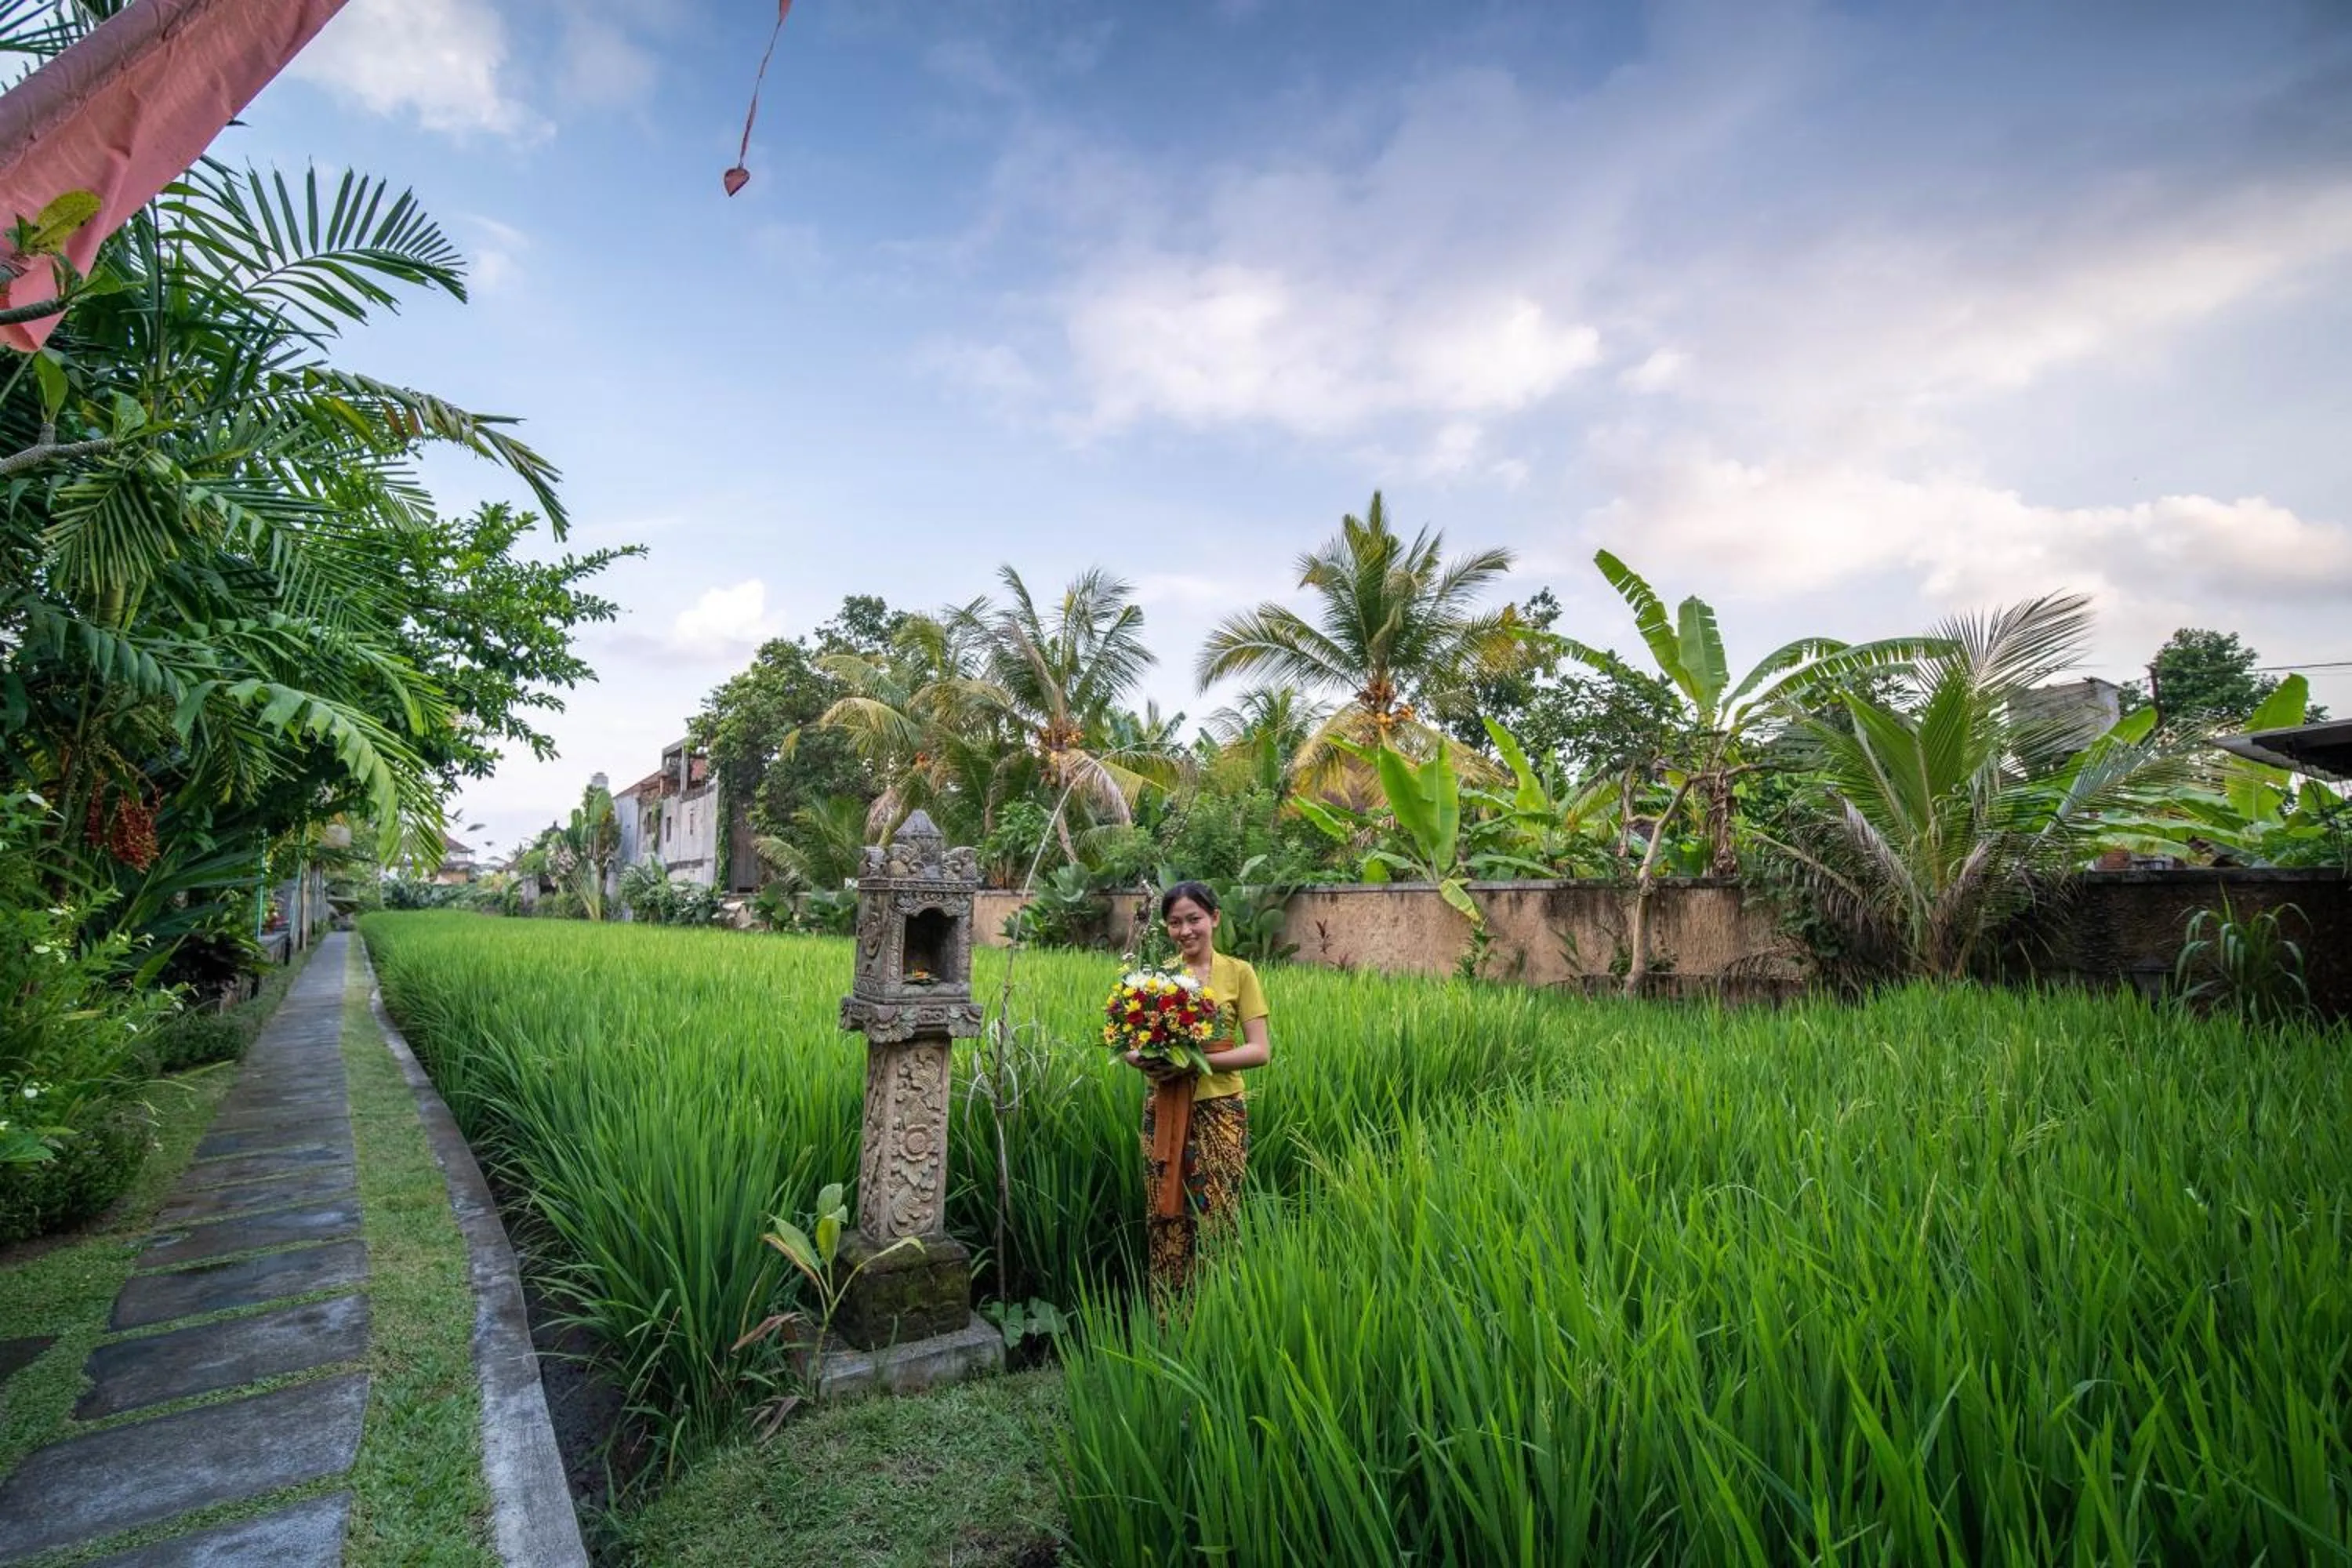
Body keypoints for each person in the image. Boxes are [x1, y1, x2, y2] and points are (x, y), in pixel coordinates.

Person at [1127, 880, 1271, 1293]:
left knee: (1218, 1211)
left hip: (1220, 1108)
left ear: (1214, 918)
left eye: (1194, 919)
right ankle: (1171, 1316)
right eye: (1175, 923)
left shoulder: (1239, 973)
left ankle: (1218, 1309)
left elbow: (1259, 1051)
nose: (1185, 931)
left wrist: (1194, 1063)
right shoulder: (1159, 979)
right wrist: (1146, 1061)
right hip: (1166, 1107)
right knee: (1164, 1213)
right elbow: (1128, 1043)